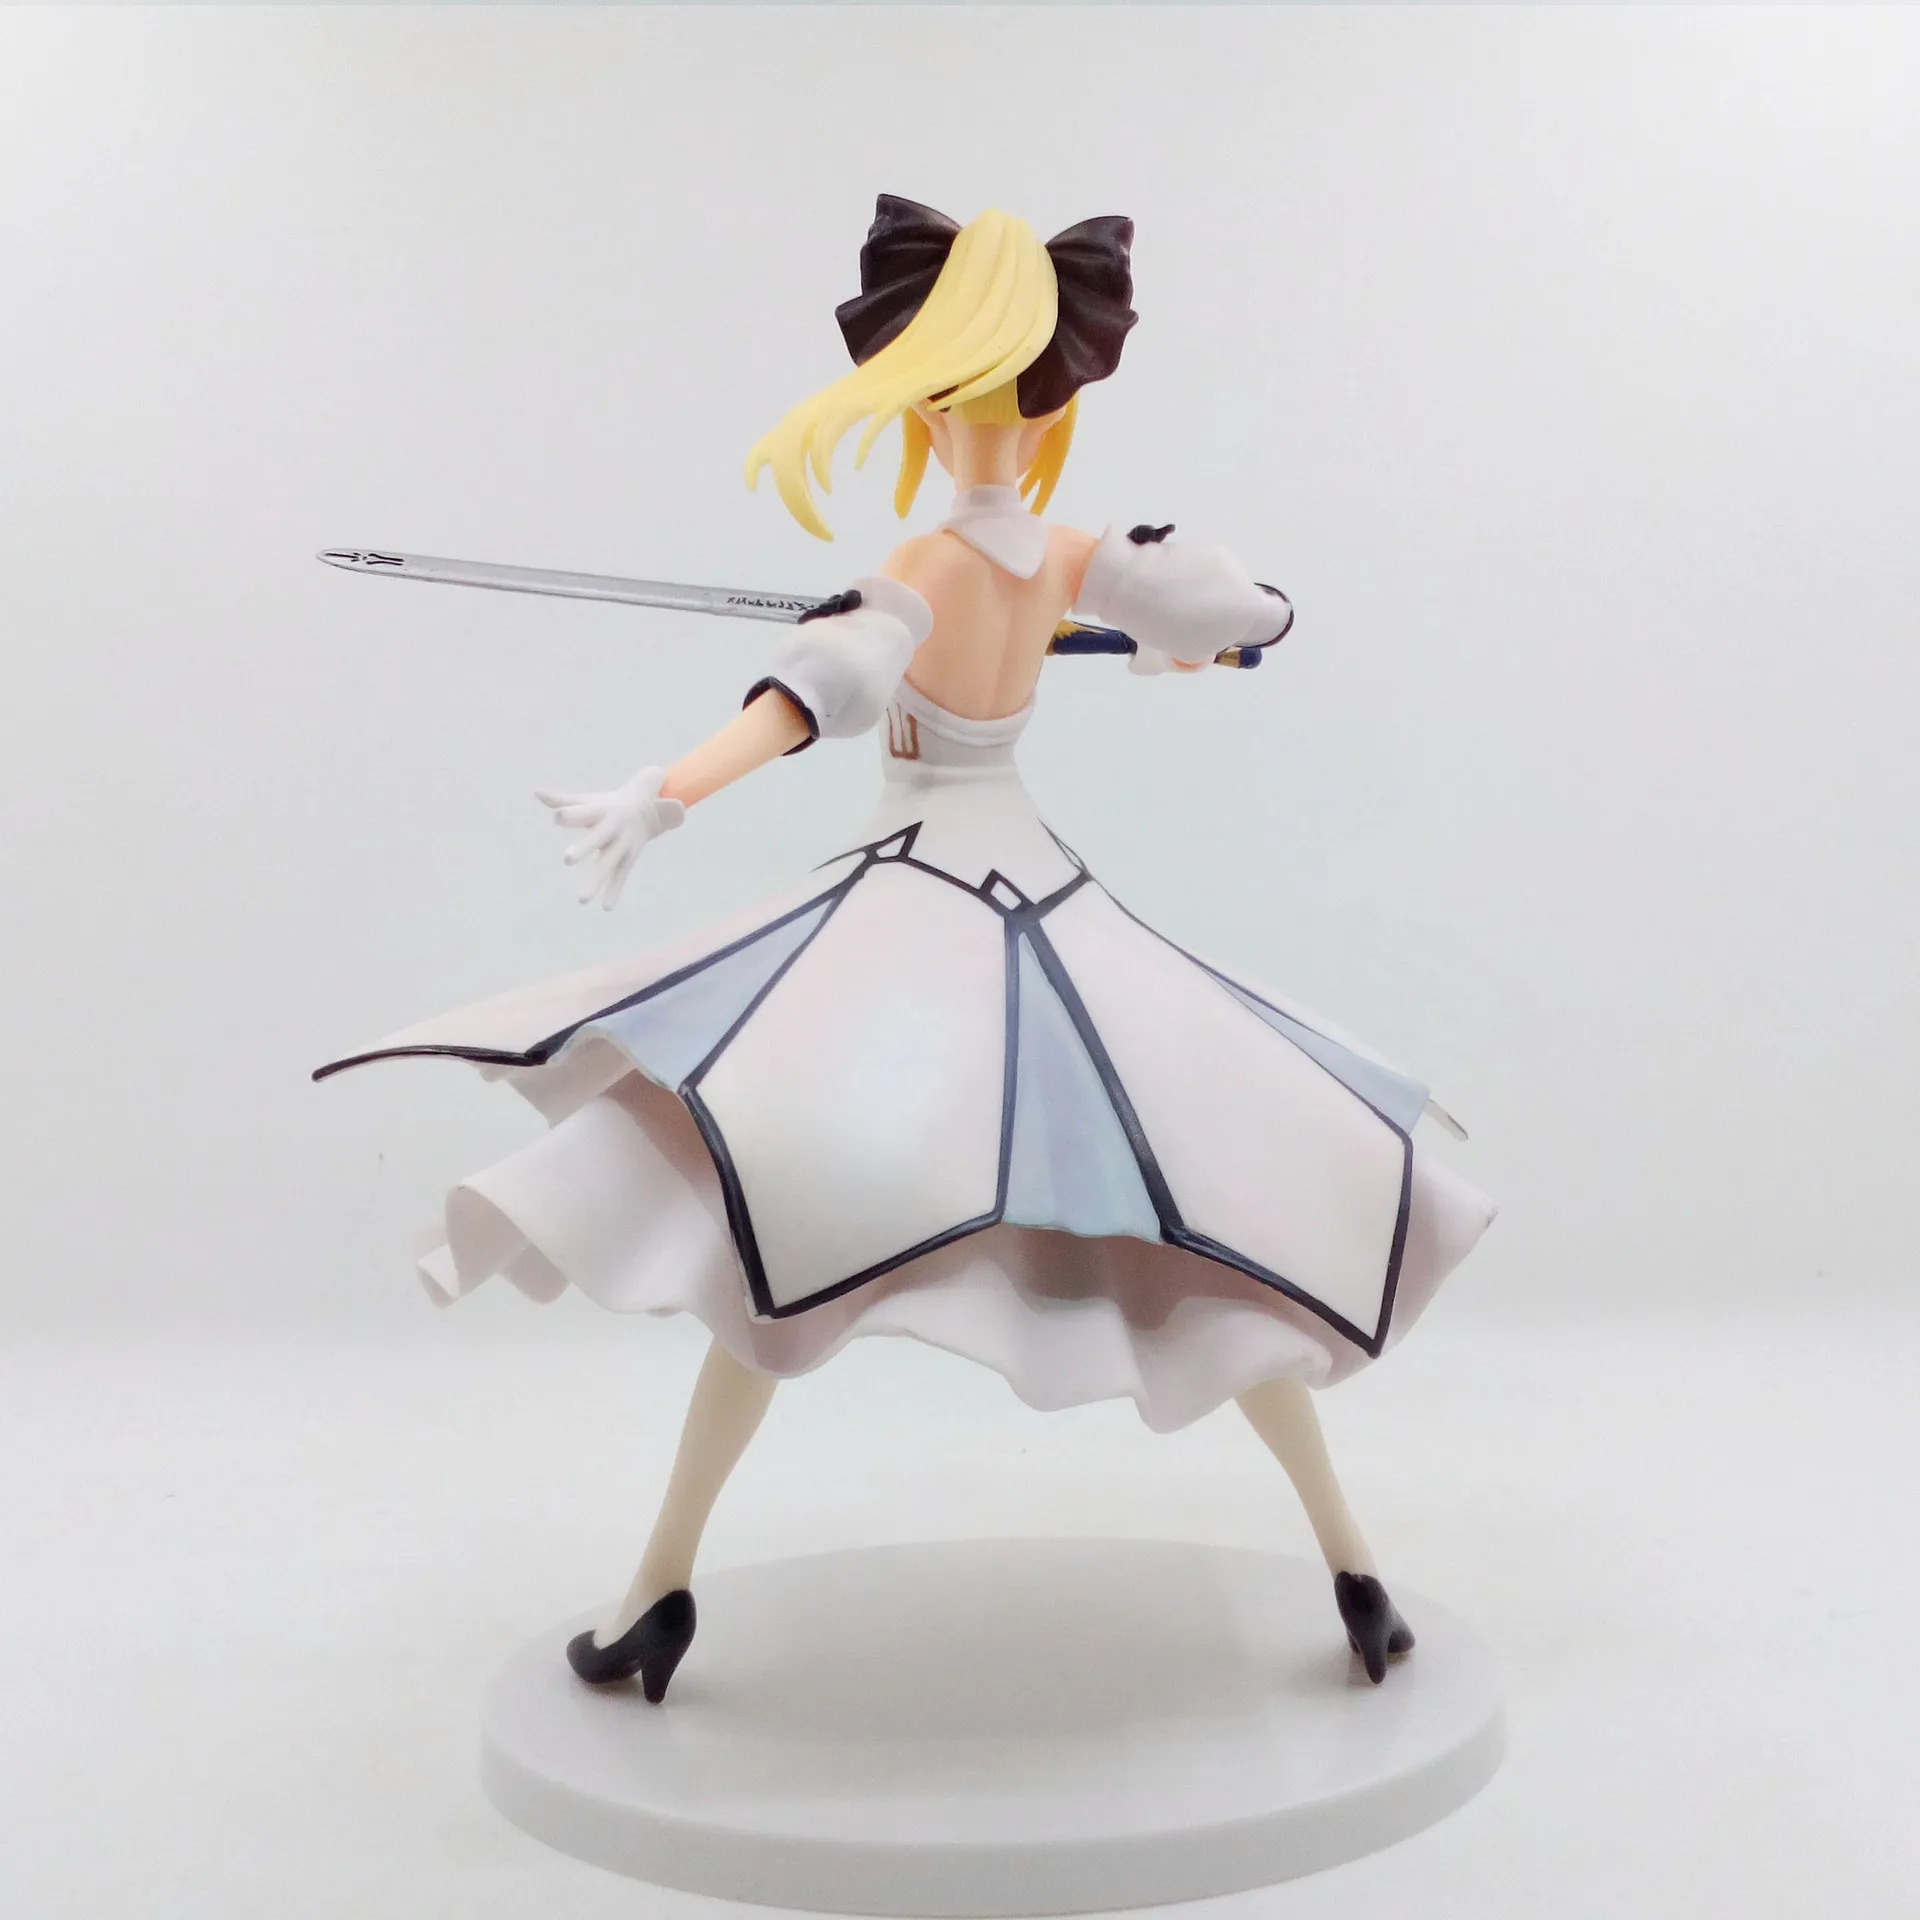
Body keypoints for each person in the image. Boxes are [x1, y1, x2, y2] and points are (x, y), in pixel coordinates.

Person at [316, 196, 1496, 1703]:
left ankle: (660, 1588)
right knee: (1194, 1218)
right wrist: (1170, 630)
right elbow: (1248, 613)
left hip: (923, 894)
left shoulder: (928, 565)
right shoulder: (1067, 553)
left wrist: (658, 797)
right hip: (1049, 897)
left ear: (925, 403)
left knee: (778, 1215)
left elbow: (807, 702)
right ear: (1055, 405)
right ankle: (1354, 1568)